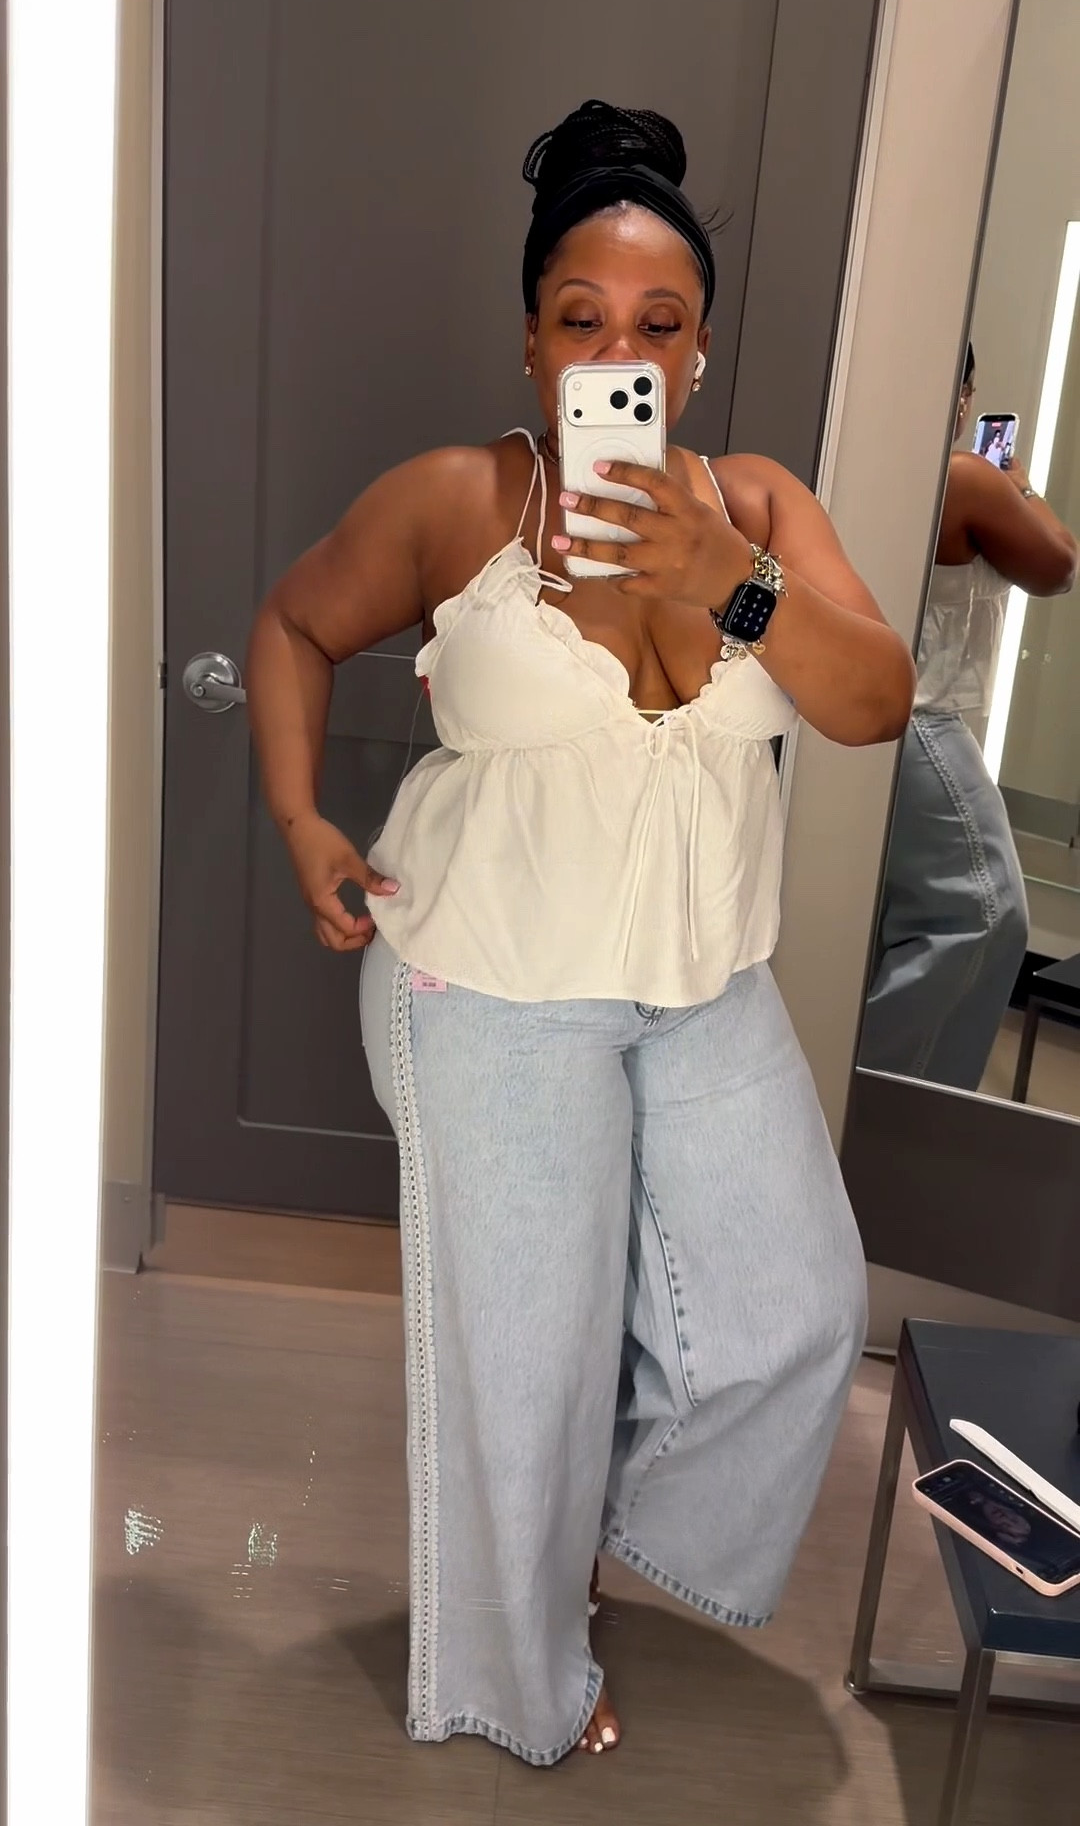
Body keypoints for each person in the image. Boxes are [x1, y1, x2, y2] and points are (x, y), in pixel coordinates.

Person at [247, 99, 914, 1766]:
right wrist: (306, 819)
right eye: (581, 318)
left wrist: (729, 574)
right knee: (525, 1368)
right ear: (533, 340)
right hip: (485, 981)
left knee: (796, 1311)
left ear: (699, 352)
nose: (619, 352)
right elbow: (294, 624)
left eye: (658, 324)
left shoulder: (757, 506)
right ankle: (513, 1673)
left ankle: (574, 1533)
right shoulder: (456, 499)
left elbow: (875, 701)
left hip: (699, 982)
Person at [861, 342, 1077, 1090]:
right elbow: (1059, 564)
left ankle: (866, 1087)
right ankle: (891, 1096)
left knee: (905, 923)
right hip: (926, 719)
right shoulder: (964, 476)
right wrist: (1020, 482)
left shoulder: (885, 473)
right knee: (986, 914)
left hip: (895, 721)